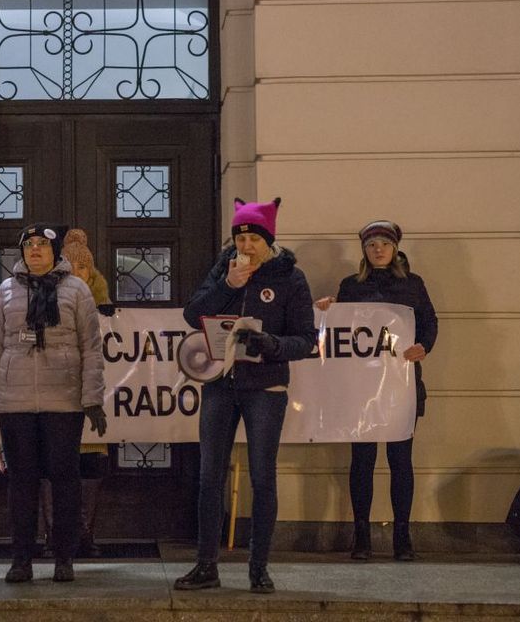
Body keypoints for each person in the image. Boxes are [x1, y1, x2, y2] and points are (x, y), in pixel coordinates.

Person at [176, 198, 317, 594]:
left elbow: (306, 339)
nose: (246, 246)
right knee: (209, 476)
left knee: (262, 476)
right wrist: (228, 285)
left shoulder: (291, 277)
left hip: (265, 388)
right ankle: (206, 565)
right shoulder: (225, 269)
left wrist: (270, 343)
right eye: (240, 238)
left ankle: (259, 567)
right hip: (220, 384)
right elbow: (192, 314)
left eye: (254, 238)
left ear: (268, 241)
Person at [0, 223, 107, 583]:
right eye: (28, 244)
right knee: (21, 483)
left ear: (54, 251)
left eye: (41, 245)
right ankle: (21, 559)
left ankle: (64, 556)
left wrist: (92, 399)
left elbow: (91, 348)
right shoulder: (5, 291)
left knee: (65, 480)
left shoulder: (77, 290)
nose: (34, 250)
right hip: (15, 403)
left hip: (63, 402)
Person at [314, 220, 437, 561]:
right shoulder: (351, 285)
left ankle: (402, 537)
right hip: (362, 387)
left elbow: (429, 322)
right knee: (362, 460)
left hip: (401, 384)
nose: (378, 249)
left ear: (395, 248)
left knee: (401, 460)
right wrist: (327, 309)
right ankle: (362, 536)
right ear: (364, 251)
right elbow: (341, 326)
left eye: (384, 243)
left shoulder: (413, 284)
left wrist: (424, 346)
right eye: (371, 245)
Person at [38, 230, 112, 558]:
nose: (77, 273)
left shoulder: (105, 308)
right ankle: (54, 534)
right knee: (53, 464)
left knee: (90, 464)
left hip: (89, 402)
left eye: (83, 267)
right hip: (57, 399)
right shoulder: (45, 299)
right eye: (71, 266)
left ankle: (83, 534)